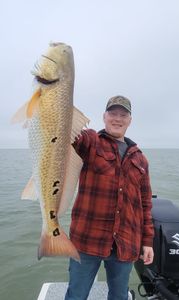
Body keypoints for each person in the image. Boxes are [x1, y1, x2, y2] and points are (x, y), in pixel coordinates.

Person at [65, 95, 154, 300]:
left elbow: (146, 204)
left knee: (119, 296)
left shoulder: (140, 158)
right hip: (87, 240)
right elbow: (67, 133)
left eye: (123, 115)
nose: (117, 118)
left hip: (126, 242)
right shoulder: (90, 141)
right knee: (76, 295)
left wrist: (147, 242)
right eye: (113, 113)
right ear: (104, 117)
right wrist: (56, 96)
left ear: (129, 120)